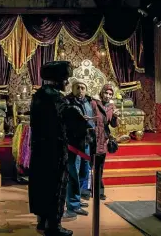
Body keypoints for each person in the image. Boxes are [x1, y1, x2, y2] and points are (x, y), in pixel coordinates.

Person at [29, 61, 91, 236]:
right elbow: (71, 119)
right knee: (56, 186)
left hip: (39, 148)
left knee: (41, 185)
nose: (66, 83)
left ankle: (42, 222)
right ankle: (53, 226)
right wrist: (88, 130)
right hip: (54, 149)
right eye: (65, 79)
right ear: (58, 80)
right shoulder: (56, 98)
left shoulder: (39, 95)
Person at [65, 79, 97, 218]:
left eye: (83, 88)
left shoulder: (89, 101)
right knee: (73, 174)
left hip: (86, 142)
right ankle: (73, 205)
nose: (80, 90)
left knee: (84, 171)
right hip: (73, 143)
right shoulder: (67, 102)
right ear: (72, 89)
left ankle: (77, 199)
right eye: (77, 87)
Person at [91, 84, 119, 200]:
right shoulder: (94, 103)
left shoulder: (111, 107)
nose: (108, 96)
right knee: (88, 167)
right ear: (102, 93)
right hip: (92, 138)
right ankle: (86, 190)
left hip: (103, 139)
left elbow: (113, 125)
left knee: (100, 167)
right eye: (106, 93)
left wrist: (115, 117)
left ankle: (99, 191)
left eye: (110, 94)